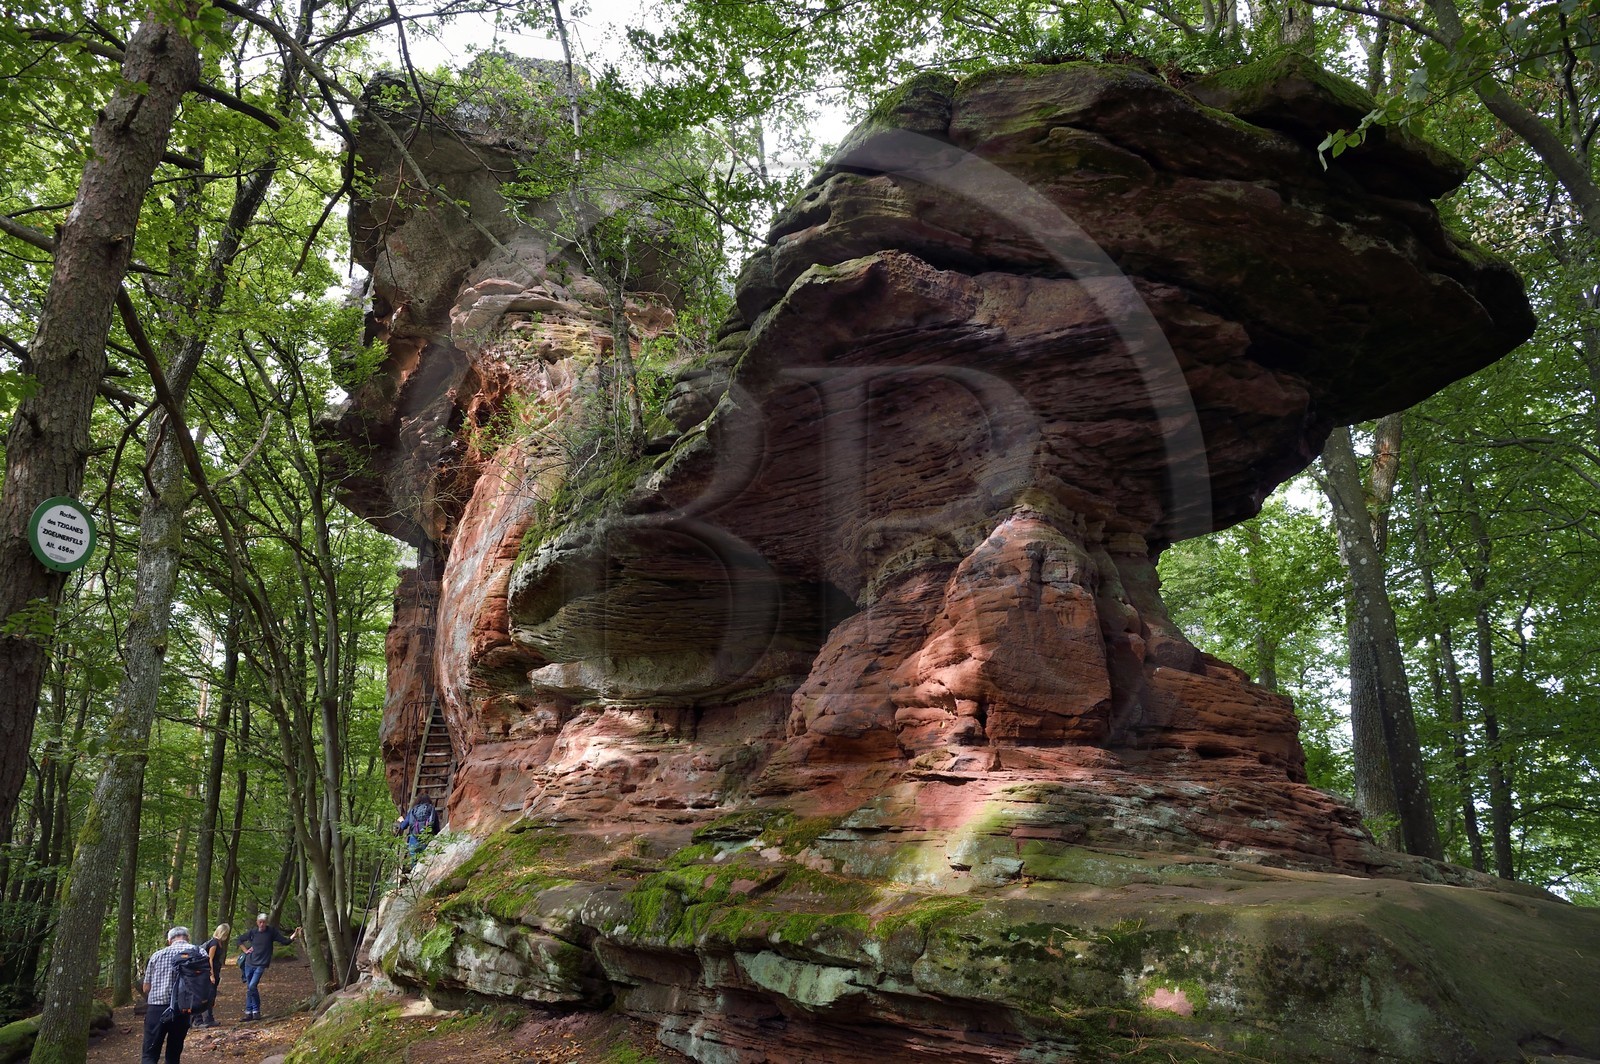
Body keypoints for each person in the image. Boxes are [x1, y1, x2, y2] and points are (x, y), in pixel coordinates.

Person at [142, 926, 201, 1064]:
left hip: (157, 1008)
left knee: (150, 1053)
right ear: (188, 937)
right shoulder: (198, 952)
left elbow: (146, 988)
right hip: (184, 1008)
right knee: (174, 1053)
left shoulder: (157, 955)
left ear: (169, 940)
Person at [235, 913, 300, 1021]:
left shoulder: (271, 932)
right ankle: (251, 1013)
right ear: (257, 922)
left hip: (261, 964)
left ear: (266, 922)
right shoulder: (253, 932)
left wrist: (294, 935)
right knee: (250, 988)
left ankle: (254, 1011)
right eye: (260, 922)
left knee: (252, 986)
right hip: (249, 963)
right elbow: (239, 940)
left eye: (264, 922)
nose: (262, 924)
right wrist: (245, 950)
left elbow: (285, 941)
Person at [192, 922, 230, 1028]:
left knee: (210, 996)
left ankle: (205, 1019)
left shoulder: (218, 943)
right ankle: (204, 1019)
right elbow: (210, 959)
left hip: (214, 972)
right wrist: (211, 975)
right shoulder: (214, 943)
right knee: (208, 996)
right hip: (207, 973)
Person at [393, 794, 441, 866]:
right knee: (427, 862)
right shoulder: (431, 809)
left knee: (414, 861)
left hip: (414, 839)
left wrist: (401, 821)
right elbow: (436, 826)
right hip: (427, 838)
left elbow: (403, 826)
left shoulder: (413, 810)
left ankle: (415, 874)